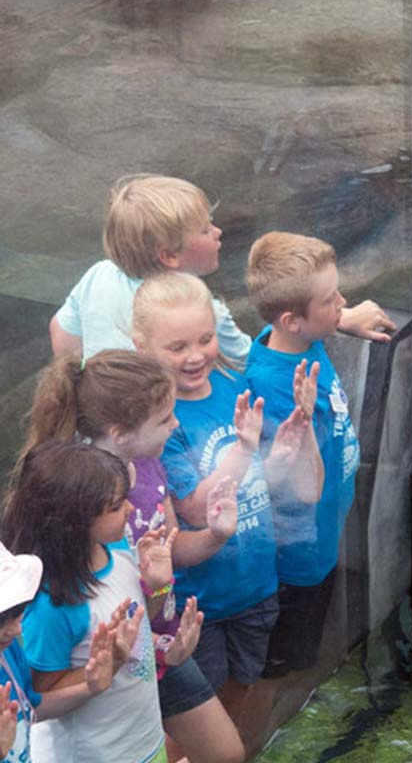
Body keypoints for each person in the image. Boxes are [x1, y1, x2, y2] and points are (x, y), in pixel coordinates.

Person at [20, 350, 243, 763]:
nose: (176, 424)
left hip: (148, 649)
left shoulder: (123, 525)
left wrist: (210, 539)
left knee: (224, 752)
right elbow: (37, 694)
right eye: (164, 419)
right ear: (120, 432)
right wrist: (97, 679)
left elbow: (157, 571)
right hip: (104, 701)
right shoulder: (76, 500)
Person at [131, 271, 321, 746]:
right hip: (202, 605)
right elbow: (194, 510)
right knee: (194, 719)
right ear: (141, 346)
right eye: (177, 347)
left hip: (255, 586)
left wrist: (280, 454)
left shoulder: (233, 386)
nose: (195, 356)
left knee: (242, 689)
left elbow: (260, 481)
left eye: (205, 339)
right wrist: (242, 449)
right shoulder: (162, 422)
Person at [49, 174, 396, 365]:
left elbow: (61, 337)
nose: (218, 233)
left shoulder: (97, 274)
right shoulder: (202, 311)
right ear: (169, 256)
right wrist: (338, 319)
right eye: (204, 229)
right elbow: (257, 366)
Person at [239, 233, 360, 740]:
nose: (342, 304)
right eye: (330, 299)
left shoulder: (303, 342)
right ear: (291, 319)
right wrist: (305, 419)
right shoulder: (272, 382)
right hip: (294, 561)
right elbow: (298, 485)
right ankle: (244, 748)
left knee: (291, 665)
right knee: (271, 673)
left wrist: (343, 319)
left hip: (320, 545)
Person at [2, 442, 165, 762]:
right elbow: (42, 694)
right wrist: (102, 670)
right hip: (97, 753)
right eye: (118, 505)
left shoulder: (117, 547)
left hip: (144, 737)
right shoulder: (53, 605)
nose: (131, 509)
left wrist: (158, 588)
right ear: (75, 522)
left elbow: (137, 628)